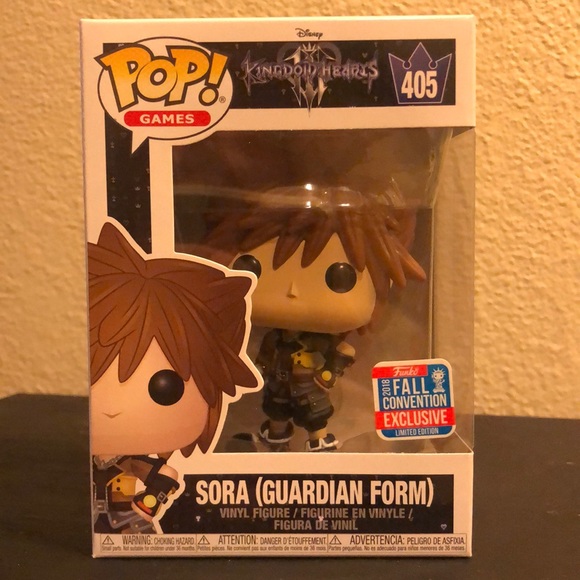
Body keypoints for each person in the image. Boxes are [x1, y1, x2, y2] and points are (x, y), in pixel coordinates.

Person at [89, 222, 259, 532]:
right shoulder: (98, 456)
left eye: (164, 389)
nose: (113, 408)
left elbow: (167, 475)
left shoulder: (130, 460)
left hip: (126, 525)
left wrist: (146, 506)